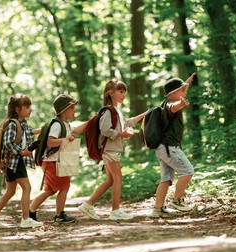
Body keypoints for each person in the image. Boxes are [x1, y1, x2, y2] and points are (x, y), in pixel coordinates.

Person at [78, 78, 147, 220]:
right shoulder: (108, 111)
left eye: (124, 93)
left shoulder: (116, 110)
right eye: (120, 92)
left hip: (111, 149)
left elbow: (127, 123)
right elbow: (104, 130)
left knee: (110, 180)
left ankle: (88, 204)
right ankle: (115, 211)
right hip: (109, 150)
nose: (123, 95)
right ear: (111, 93)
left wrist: (145, 114)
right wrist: (123, 134)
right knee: (118, 178)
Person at [0, 94, 44, 228]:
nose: (30, 109)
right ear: (17, 109)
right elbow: (8, 143)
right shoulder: (13, 123)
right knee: (27, 187)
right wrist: (22, 152)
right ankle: (26, 219)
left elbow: (29, 132)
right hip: (14, 161)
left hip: (11, 162)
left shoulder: (21, 123)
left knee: (10, 191)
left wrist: (45, 129)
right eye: (27, 107)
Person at [29, 94, 88, 223]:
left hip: (53, 161)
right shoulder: (57, 125)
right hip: (54, 162)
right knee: (64, 187)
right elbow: (50, 142)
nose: (74, 110)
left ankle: (30, 211)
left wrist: (90, 122)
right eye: (72, 108)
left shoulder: (65, 124)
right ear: (64, 109)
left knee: (49, 191)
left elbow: (76, 131)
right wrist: (65, 140)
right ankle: (59, 215)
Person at [151, 72, 196, 218]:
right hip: (170, 147)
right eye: (182, 91)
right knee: (188, 171)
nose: (185, 93)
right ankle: (176, 200)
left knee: (166, 179)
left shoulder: (166, 103)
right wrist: (181, 104)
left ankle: (157, 210)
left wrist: (187, 82)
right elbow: (174, 107)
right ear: (173, 93)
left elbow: (179, 94)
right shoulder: (170, 105)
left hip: (162, 148)